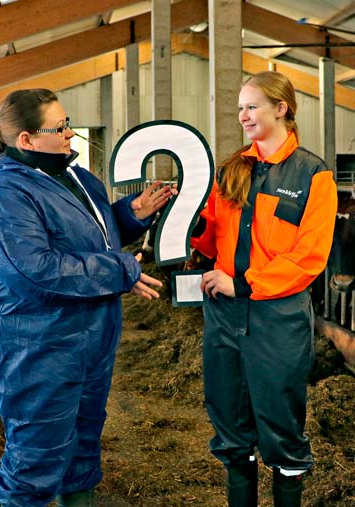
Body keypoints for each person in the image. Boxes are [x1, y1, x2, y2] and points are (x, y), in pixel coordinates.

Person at [0, 88, 175, 507]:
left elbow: (90, 239)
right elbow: (36, 272)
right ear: (26, 140)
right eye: (59, 127)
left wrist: (131, 215)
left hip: (88, 339)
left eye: (68, 122)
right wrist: (122, 270)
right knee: (35, 460)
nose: (70, 133)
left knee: (81, 449)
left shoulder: (75, 177)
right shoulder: (5, 196)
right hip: (37, 346)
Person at [190, 71, 337, 507]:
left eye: (251, 106)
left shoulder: (314, 174)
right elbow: (211, 235)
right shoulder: (233, 168)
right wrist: (187, 224)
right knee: (230, 423)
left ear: (282, 108)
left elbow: (309, 257)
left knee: (280, 423)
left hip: (278, 317)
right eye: (240, 108)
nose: (243, 116)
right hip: (224, 315)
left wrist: (243, 284)